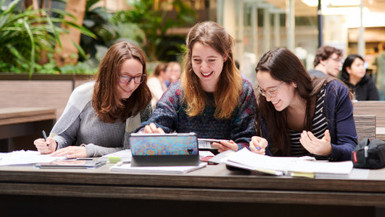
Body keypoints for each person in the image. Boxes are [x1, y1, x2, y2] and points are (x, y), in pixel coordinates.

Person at [138, 21, 257, 153]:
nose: (204, 67)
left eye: (211, 60)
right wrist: (149, 132)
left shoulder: (243, 91)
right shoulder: (178, 91)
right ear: (190, 58)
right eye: (197, 60)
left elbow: (249, 139)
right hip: (188, 169)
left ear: (225, 56)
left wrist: (237, 148)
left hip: (229, 169)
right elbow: (157, 122)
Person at [33, 41, 152, 158]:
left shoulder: (142, 101)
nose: (132, 85)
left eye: (138, 77)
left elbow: (133, 150)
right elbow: (63, 135)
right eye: (125, 77)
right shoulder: (83, 95)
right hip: (82, 168)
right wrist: (54, 144)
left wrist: (90, 151)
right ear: (109, 74)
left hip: (122, 172)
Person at [249, 47, 357, 161]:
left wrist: (328, 150)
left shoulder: (333, 93)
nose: (268, 98)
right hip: (287, 177)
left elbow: (351, 148)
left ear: (294, 80)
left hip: (327, 176)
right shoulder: (267, 105)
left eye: (272, 90)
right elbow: (272, 159)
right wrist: (263, 147)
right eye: (263, 90)